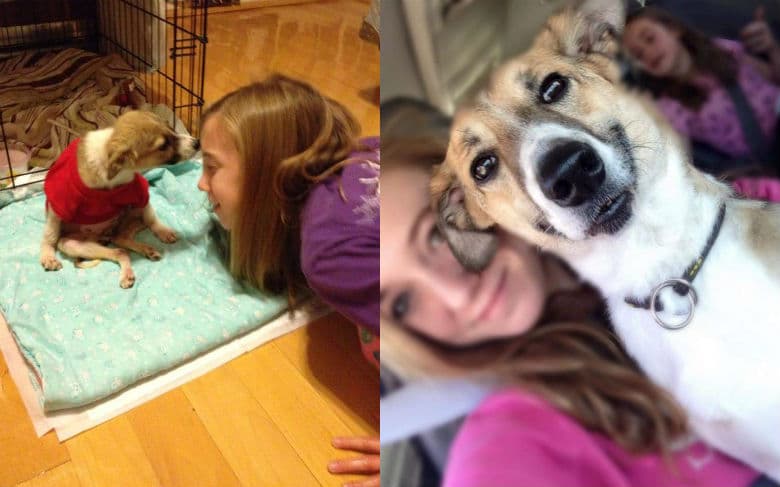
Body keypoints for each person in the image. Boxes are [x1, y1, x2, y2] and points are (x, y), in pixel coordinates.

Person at [379, 98, 775, 487]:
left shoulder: (693, 214)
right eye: (402, 303)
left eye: (435, 232)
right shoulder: (513, 437)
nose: (455, 295)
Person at [197, 74, 379, 486]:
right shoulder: (365, 150)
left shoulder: (331, 255)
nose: (201, 183)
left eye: (211, 167)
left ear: (266, 174)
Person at [622, 6, 780, 175]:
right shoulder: (669, 108)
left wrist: (772, 48)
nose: (647, 53)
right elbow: (681, 162)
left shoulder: (722, 49)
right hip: (766, 158)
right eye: (638, 55)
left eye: (650, 38)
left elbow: (773, 77)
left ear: (674, 29)